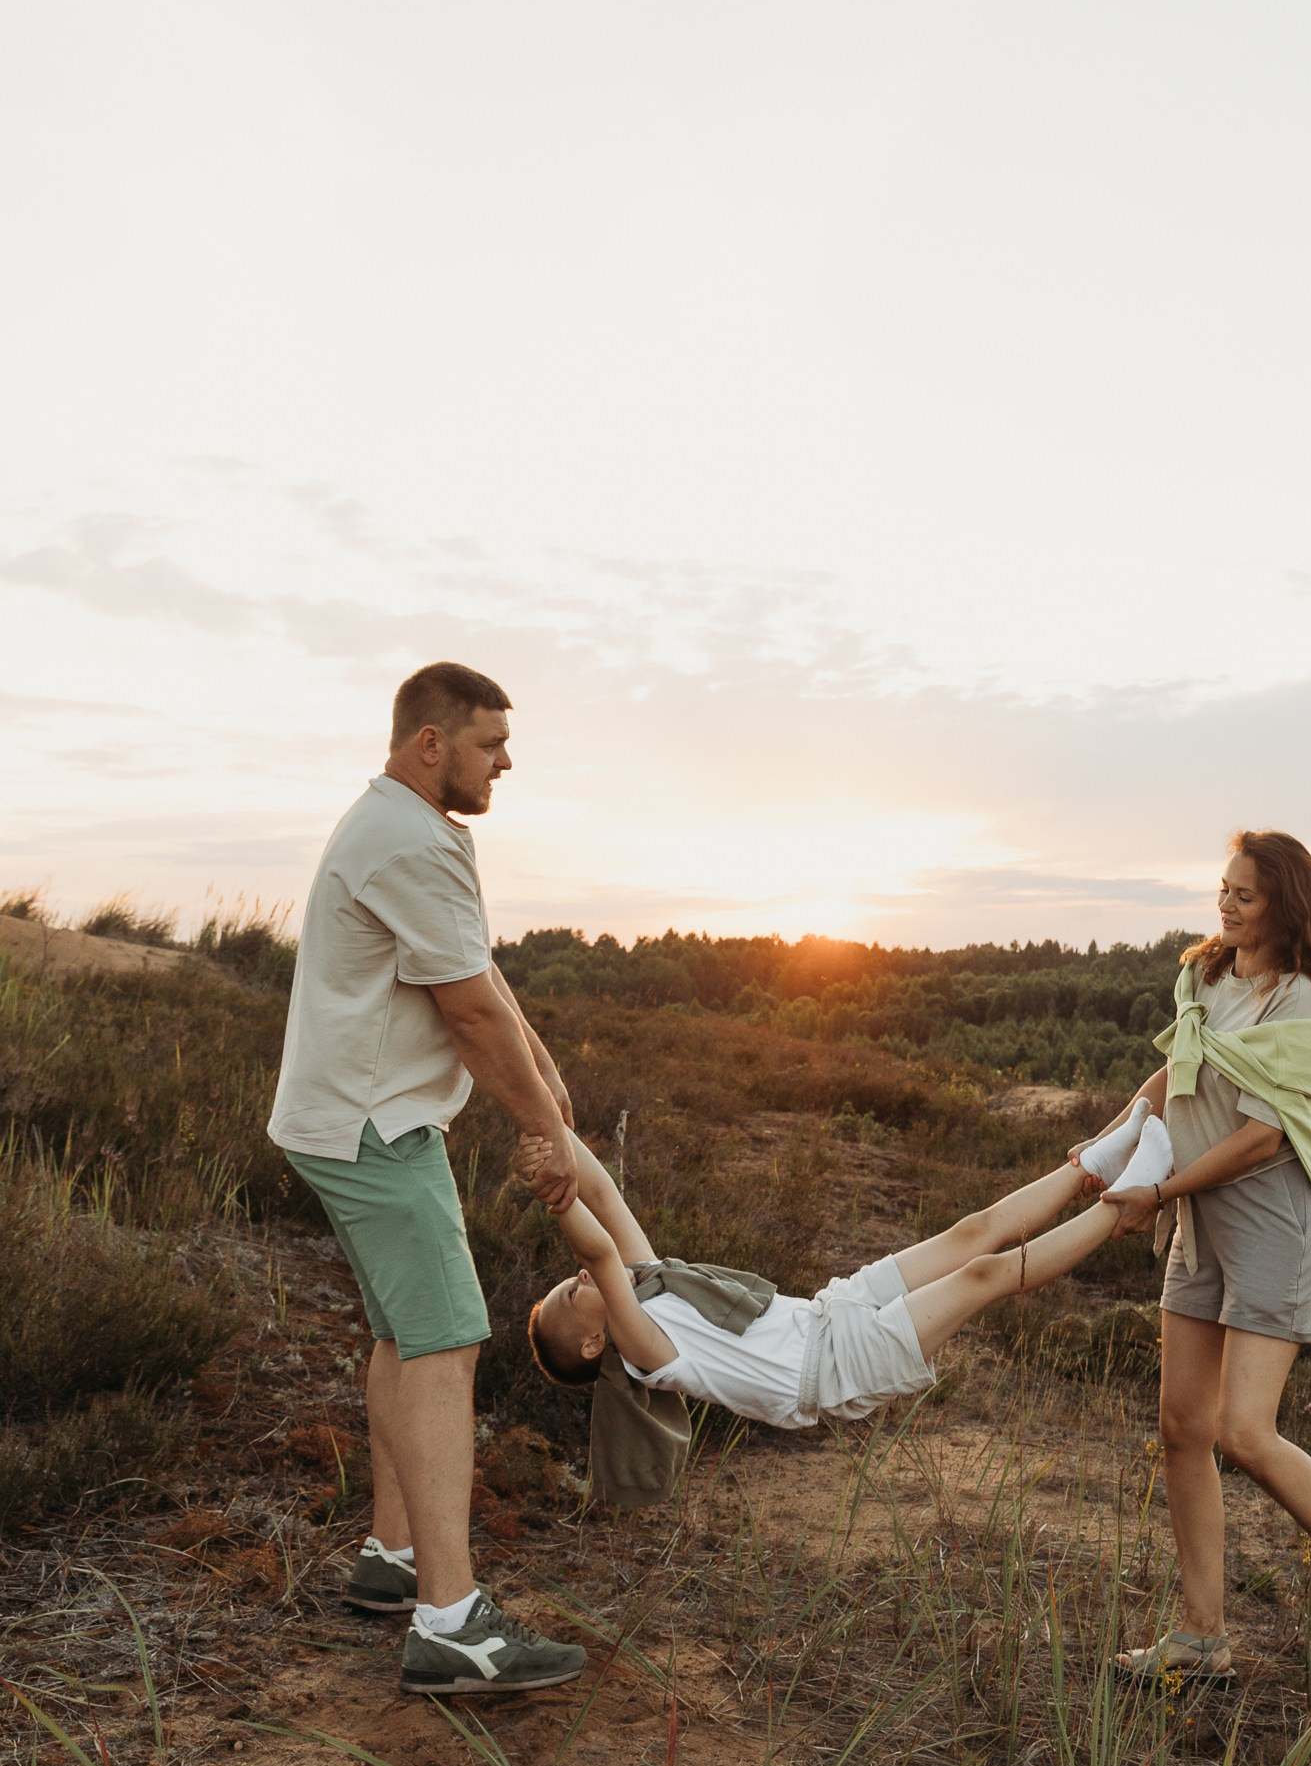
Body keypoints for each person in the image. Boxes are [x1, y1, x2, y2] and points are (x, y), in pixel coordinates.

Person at [268, 662, 591, 1697]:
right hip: (374, 1130)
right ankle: (450, 1624)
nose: (507, 759)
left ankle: (393, 1557)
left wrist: (544, 1076)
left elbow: (480, 978)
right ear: (429, 744)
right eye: (491, 742)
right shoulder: (408, 837)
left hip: (357, 1121)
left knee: (406, 1337)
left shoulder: (408, 832)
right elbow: (468, 1012)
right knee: (447, 1343)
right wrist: (550, 1138)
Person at [1073, 831, 1311, 1687]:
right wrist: (1108, 1146)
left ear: (1286, 906)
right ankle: (1201, 1634)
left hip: (1272, 1220)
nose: (1225, 906)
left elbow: (1264, 1140)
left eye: (1245, 896)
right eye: (1222, 889)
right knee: (1182, 1426)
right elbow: (1171, 1077)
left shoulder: (1302, 1001)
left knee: (1243, 1430)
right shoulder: (1206, 977)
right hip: (1199, 1213)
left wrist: (1157, 1193)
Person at [523, 1112, 1177, 1453]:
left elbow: (605, 1195)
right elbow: (601, 1251)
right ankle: (1126, 1199)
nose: (577, 1278)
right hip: (837, 1368)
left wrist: (543, 1118)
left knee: (972, 1233)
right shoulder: (645, 1356)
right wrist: (556, 1201)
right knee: (986, 1275)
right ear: (590, 1345)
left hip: (830, 1313)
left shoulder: (651, 1287)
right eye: (568, 1294)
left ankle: (1094, 1164)